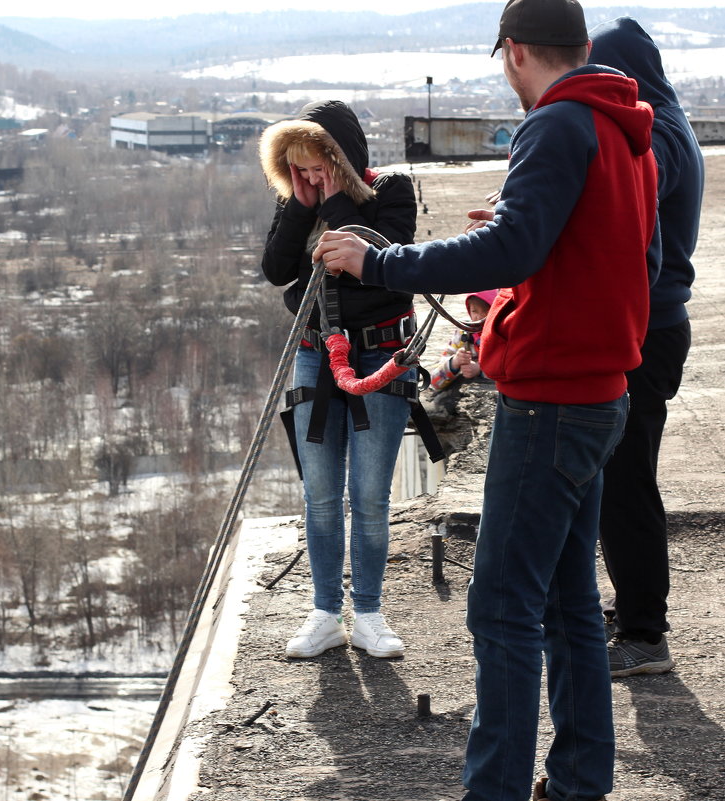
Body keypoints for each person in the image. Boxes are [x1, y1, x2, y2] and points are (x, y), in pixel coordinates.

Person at [312, 1, 658, 799]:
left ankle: (493, 788)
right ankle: (576, 781)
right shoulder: (621, 124)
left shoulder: (554, 124)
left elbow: (511, 249)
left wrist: (380, 262)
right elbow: (596, 249)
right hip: (599, 393)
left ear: (512, 53)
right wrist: (518, 235)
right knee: (567, 602)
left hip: (549, 403)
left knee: (500, 607)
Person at [258, 99, 418, 660]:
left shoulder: (391, 191)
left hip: (382, 356)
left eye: (317, 167)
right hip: (315, 357)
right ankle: (326, 612)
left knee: (369, 495)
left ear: (342, 160)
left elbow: (385, 267)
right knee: (320, 495)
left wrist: (336, 201)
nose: (308, 178)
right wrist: (303, 206)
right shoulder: (298, 204)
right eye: (298, 169)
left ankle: (369, 612)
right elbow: (277, 269)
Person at [589, 16, 705, 678]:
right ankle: (633, 610)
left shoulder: (656, 132)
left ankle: (643, 633)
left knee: (624, 481)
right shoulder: (669, 119)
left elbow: (627, 202)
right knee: (620, 477)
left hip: (647, 329)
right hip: (654, 326)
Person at [429, 289, 498, 392]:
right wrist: (454, 363)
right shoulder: (463, 334)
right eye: (474, 311)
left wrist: (480, 370)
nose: (479, 317)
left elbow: (513, 371)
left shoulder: (503, 335)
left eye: (485, 311)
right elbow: (434, 381)